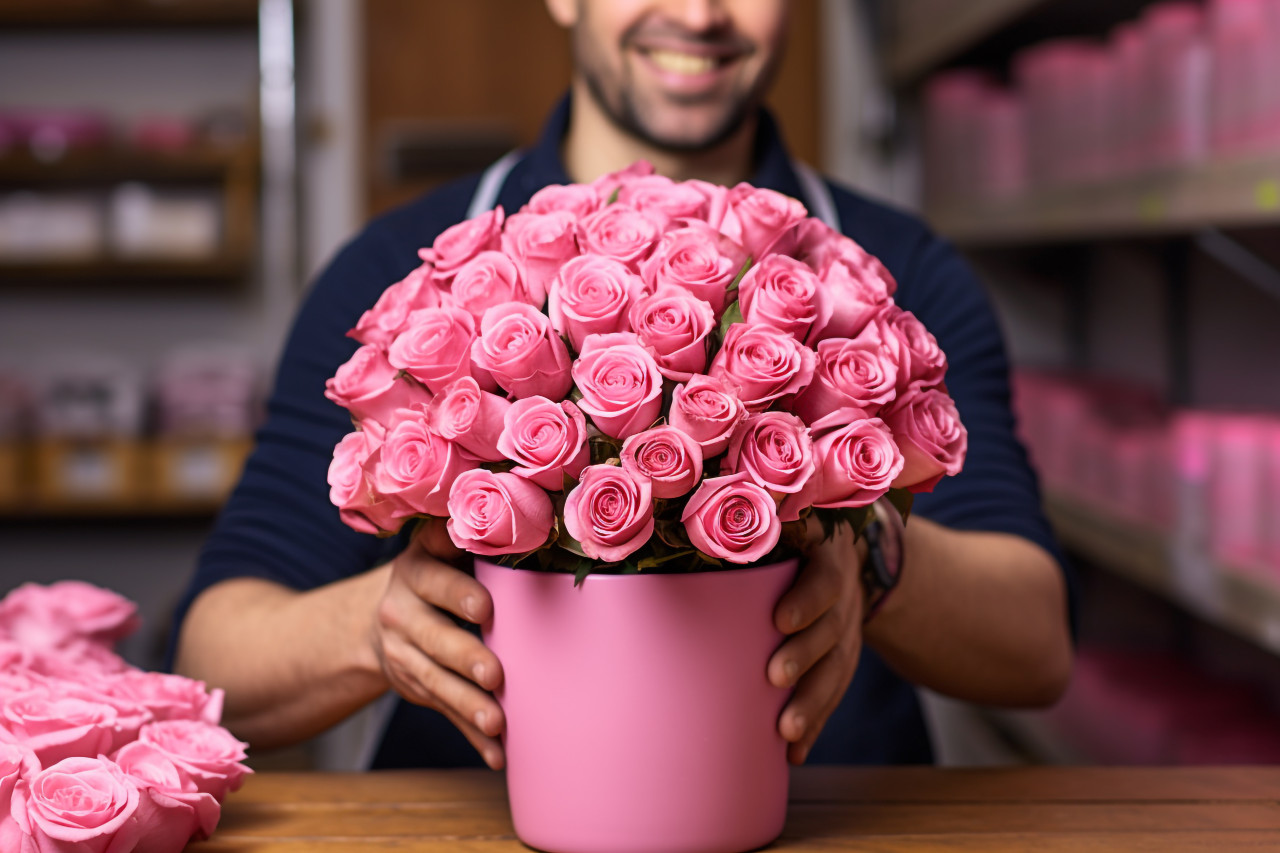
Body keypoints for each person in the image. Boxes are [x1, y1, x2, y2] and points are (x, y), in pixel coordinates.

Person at [171, 0, 1075, 771]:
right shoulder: (403, 269)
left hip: (833, 814)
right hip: (473, 815)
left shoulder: (888, 270)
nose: (698, 13)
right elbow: (216, 660)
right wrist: (374, 626)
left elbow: (1036, 644)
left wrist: (867, 545)